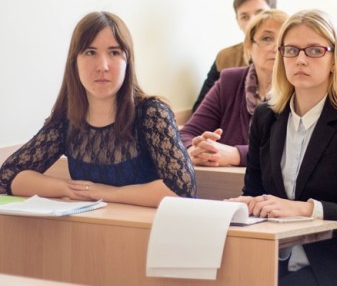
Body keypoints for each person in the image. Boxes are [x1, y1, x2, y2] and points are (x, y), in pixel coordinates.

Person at [229, 10, 337, 286]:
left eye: (315, 50)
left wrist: (305, 209)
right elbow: (254, 192)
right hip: (273, 264)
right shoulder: (266, 116)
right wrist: (247, 205)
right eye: (291, 50)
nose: (300, 60)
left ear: (334, 59)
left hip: (335, 271)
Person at [0, 12, 196, 207]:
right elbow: (8, 175)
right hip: (91, 225)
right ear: (74, 62)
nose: (102, 66)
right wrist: (72, 189)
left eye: (114, 53)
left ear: (127, 61)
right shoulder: (67, 119)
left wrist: (109, 193)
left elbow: (182, 190)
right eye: (90, 52)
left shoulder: (153, 114)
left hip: (147, 226)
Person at [180, 9, 288, 167]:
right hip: (224, 179)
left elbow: (294, 150)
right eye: (267, 38)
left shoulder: (300, 87)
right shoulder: (229, 81)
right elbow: (187, 133)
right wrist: (195, 150)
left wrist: (236, 154)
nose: (276, 47)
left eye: (284, 40)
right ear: (249, 46)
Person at [192, 0, 277, 112]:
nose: (252, 22)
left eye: (260, 13)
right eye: (244, 17)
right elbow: (200, 110)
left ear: (275, 15)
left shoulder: (290, 55)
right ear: (237, 21)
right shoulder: (225, 58)